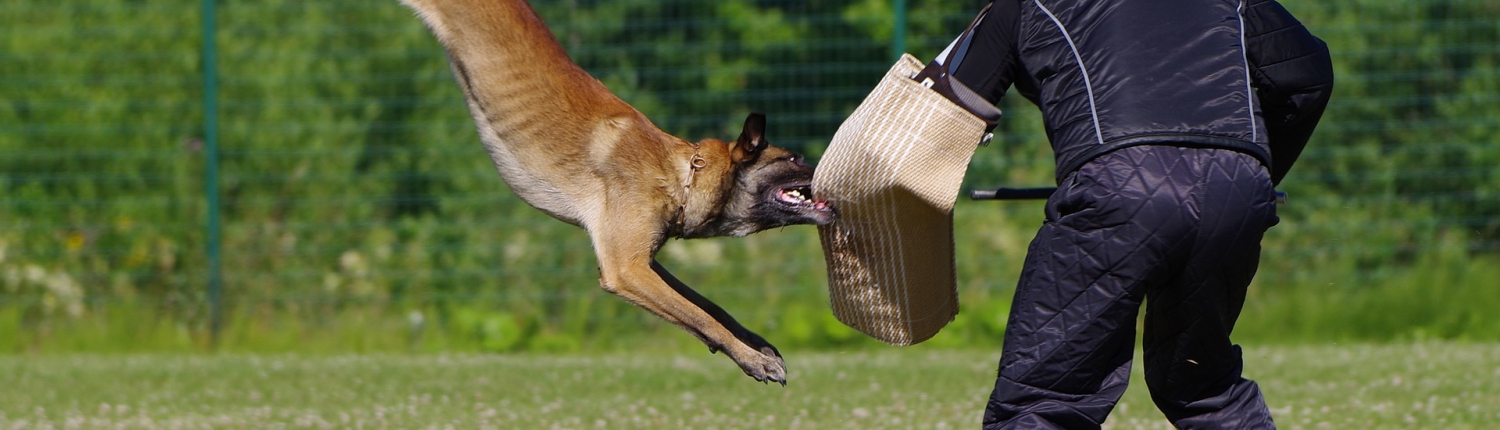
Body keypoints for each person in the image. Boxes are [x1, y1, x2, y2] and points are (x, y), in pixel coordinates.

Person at [944, 0, 1334, 428]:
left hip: (1118, 186)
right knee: (1205, 388)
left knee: (1044, 399)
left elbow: (943, 108)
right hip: (1235, 190)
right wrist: (1253, 172)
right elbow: (1306, 77)